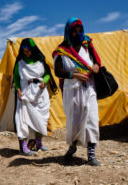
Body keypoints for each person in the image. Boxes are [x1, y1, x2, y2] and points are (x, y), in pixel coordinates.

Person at [53, 18, 101, 166]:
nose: (77, 33)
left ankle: (91, 154)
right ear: (68, 31)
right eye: (74, 31)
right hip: (72, 89)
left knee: (92, 119)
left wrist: (96, 67)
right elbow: (57, 70)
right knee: (74, 121)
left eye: (80, 30)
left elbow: (97, 61)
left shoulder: (87, 44)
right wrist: (73, 75)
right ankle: (72, 147)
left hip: (89, 87)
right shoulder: (61, 50)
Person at [13, 38, 58, 156]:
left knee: (40, 118)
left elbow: (47, 74)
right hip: (25, 95)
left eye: (28, 50)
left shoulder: (40, 61)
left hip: (40, 94)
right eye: (24, 51)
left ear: (33, 49)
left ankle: (39, 143)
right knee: (22, 119)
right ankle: (23, 147)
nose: (26, 53)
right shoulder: (20, 63)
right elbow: (16, 78)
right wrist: (18, 89)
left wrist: (45, 81)